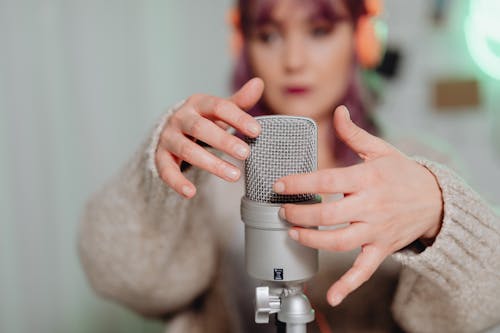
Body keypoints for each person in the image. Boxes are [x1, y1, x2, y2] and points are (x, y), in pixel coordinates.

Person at [78, 0, 500, 332]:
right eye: (269, 35)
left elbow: (479, 308)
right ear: (244, 44)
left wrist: (441, 216)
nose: (294, 59)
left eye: (319, 31)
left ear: (362, 36)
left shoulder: (417, 169)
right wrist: (159, 176)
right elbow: (122, 280)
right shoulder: (208, 168)